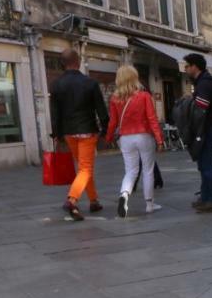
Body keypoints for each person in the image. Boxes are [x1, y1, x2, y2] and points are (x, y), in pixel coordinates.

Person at [49, 48, 108, 221]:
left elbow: (55, 113)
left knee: (83, 167)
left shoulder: (57, 84)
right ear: (78, 61)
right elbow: (101, 110)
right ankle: (72, 199)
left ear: (63, 63)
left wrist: (57, 135)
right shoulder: (90, 83)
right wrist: (105, 129)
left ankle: (94, 200)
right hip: (87, 130)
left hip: (68, 132)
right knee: (85, 168)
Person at [106, 65, 163, 218]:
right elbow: (152, 119)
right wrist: (159, 139)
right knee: (148, 170)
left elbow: (112, 122)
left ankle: (124, 195)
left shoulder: (115, 99)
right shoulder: (144, 96)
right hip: (143, 136)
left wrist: (108, 137)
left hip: (125, 138)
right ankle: (149, 204)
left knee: (131, 171)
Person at [183, 53, 212, 212]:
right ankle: (206, 196)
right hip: (205, 128)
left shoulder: (205, 83)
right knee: (203, 164)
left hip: (206, 128)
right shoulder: (202, 82)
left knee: (208, 164)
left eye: (187, 66)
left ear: (194, 66)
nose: (185, 69)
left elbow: (201, 107)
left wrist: (188, 101)